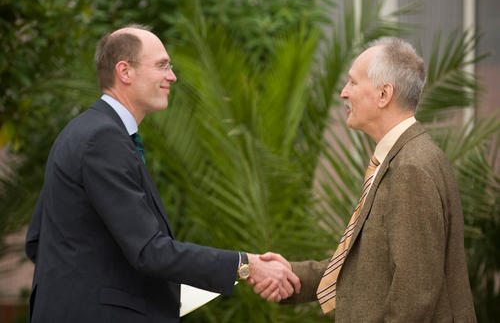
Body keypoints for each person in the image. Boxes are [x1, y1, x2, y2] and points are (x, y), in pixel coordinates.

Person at [25, 24, 300, 323]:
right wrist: (245, 265)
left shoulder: (85, 131)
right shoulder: (102, 139)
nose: (172, 76)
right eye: (162, 65)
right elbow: (149, 251)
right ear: (125, 71)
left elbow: (38, 240)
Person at [251, 37, 477, 322]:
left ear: (384, 95)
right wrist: (294, 277)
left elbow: (415, 294)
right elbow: (369, 268)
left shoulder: (411, 168)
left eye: (353, 83)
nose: (344, 93)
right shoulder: (401, 158)